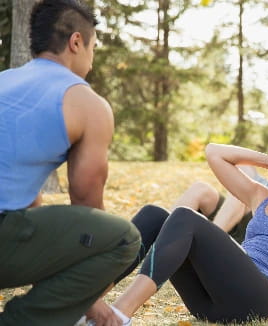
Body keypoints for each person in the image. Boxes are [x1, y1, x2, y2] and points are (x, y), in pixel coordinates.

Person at [93, 128, 268, 325]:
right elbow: (214, 152)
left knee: (185, 217)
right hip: (208, 302)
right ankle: (87, 299)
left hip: (255, 300)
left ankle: (119, 315)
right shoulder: (261, 197)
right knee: (155, 215)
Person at [0, 1, 141, 325]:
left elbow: (28, 209)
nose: (91, 60)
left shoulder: (5, 80)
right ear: (76, 42)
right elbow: (86, 201)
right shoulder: (85, 102)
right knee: (122, 238)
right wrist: (94, 290)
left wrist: (81, 299)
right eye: (93, 48)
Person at [170, 165, 268, 244]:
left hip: (257, 233)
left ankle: (206, 242)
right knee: (200, 189)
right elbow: (223, 155)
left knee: (241, 194)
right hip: (231, 220)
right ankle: (160, 243)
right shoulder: (264, 181)